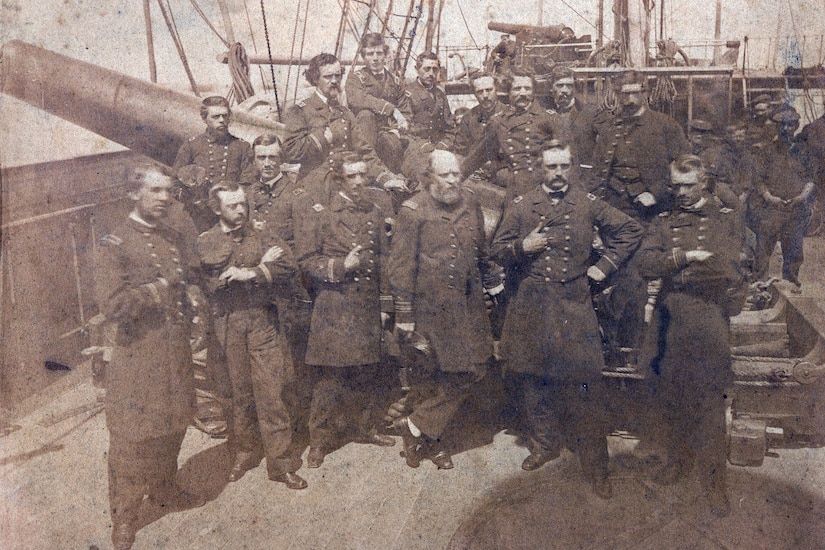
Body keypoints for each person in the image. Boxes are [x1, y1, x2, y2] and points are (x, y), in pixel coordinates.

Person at [491, 141, 643, 499]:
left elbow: (631, 230)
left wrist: (601, 267)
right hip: (532, 304)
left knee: (585, 384)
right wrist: (520, 249)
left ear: (572, 167)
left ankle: (596, 464)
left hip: (574, 303)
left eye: (564, 166)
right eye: (551, 167)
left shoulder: (587, 204)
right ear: (539, 168)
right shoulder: (521, 206)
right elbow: (496, 249)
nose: (558, 174)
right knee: (533, 379)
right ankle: (543, 446)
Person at [94, 162, 205, 550]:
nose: (165, 198)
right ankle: (124, 519)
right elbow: (113, 304)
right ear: (134, 194)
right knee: (132, 441)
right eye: (156, 191)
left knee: (174, 424)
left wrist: (189, 294)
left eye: (168, 191)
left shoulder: (172, 236)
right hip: (138, 357)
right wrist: (158, 289)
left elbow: (184, 279)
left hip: (173, 353)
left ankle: (165, 490)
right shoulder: (115, 241)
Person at [636, 154, 748, 518]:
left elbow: (728, 269)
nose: (681, 192)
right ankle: (678, 464)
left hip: (707, 321)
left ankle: (715, 485)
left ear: (704, 184)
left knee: (711, 407)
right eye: (676, 185)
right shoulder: (663, 221)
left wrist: (678, 272)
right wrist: (687, 256)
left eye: (688, 185)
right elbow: (645, 264)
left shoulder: (725, 220)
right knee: (672, 397)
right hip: (670, 323)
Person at [387, 150, 504, 469]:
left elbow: (481, 251)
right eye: (446, 175)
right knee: (434, 375)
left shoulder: (470, 202)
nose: (454, 180)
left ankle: (414, 426)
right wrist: (406, 315)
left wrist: (494, 283)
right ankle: (432, 445)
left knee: (473, 369)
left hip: (469, 306)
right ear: (429, 177)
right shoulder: (412, 211)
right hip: (431, 308)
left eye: (456, 173)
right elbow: (399, 268)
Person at [295, 152, 396, 468]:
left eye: (362, 175)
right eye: (351, 176)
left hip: (365, 304)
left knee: (368, 372)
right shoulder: (323, 216)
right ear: (339, 179)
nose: (358, 182)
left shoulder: (375, 213)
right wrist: (341, 266)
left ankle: (366, 428)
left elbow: (383, 262)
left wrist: (384, 304)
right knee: (330, 380)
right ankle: (318, 442)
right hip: (334, 308)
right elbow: (307, 262)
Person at [590, 69, 689, 368]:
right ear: (617, 94)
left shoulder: (665, 126)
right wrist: (592, 213)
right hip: (611, 214)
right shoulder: (609, 129)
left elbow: (688, 169)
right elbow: (597, 175)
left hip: (646, 216)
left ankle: (628, 349)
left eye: (635, 92)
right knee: (610, 275)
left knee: (634, 279)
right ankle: (611, 341)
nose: (629, 98)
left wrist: (657, 194)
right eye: (624, 93)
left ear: (645, 91)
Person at [282, 52, 405, 200]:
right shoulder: (300, 111)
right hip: (315, 186)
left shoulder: (345, 113)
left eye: (338, 75)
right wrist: (322, 139)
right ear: (315, 78)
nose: (334, 81)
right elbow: (290, 152)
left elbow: (365, 151)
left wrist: (386, 178)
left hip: (348, 184)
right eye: (328, 76)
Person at [461, 67, 556, 201]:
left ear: (534, 91)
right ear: (508, 92)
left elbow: (569, 161)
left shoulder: (550, 120)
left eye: (527, 88)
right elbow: (474, 158)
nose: (523, 93)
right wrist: (449, 180)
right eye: (517, 89)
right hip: (515, 194)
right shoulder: (497, 122)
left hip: (547, 193)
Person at [744, 107, 815, 285]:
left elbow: (811, 179)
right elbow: (758, 180)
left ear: (797, 126)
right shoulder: (767, 151)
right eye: (782, 125)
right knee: (762, 250)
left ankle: (790, 285)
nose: (786, 129)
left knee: (794, 251)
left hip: (795, 209)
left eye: (790, 125)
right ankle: (759, 285)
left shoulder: (804, 151)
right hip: (771, 210)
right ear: (777, 127)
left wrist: (801, 197)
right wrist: (769, 197)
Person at [173, 95, 252, 232]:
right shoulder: (191, 146)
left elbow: (249, 182)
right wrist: (193, 199)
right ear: (204, 119)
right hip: (199, 218)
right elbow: (175, 183)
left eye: (225, 116)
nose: (222, 120)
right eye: (215, 117)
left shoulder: (242, 147)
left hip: (233, 218)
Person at [346, 33, 409, 173]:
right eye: (370, 54)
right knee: (365, 115)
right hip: (364, 137)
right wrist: (391, 109)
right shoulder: (355, 78)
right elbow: (357, 99)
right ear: (363, 56)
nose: (375, 58)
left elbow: (405, 111)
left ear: (385, 55)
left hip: (392, 134)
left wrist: (398, 129)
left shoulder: (396, 81)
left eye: (379, 53)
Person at [399, 52, 455, 180]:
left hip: (440, 149)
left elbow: (450, 127)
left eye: (435, 69)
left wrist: (443, 146)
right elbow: (404, 130)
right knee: (428, 178)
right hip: (415, 150)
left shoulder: (440, 93)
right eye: (427, 69)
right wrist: (424, 146)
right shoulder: (407, 93)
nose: (431, 73)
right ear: (417, 69)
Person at [545, 65, 599, 167]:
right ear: (552, 88)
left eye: (569, 85)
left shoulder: (590, 113)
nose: (564, 90)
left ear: (574, 88)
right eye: (560, 85)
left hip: (582, 177)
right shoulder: (543, 113)